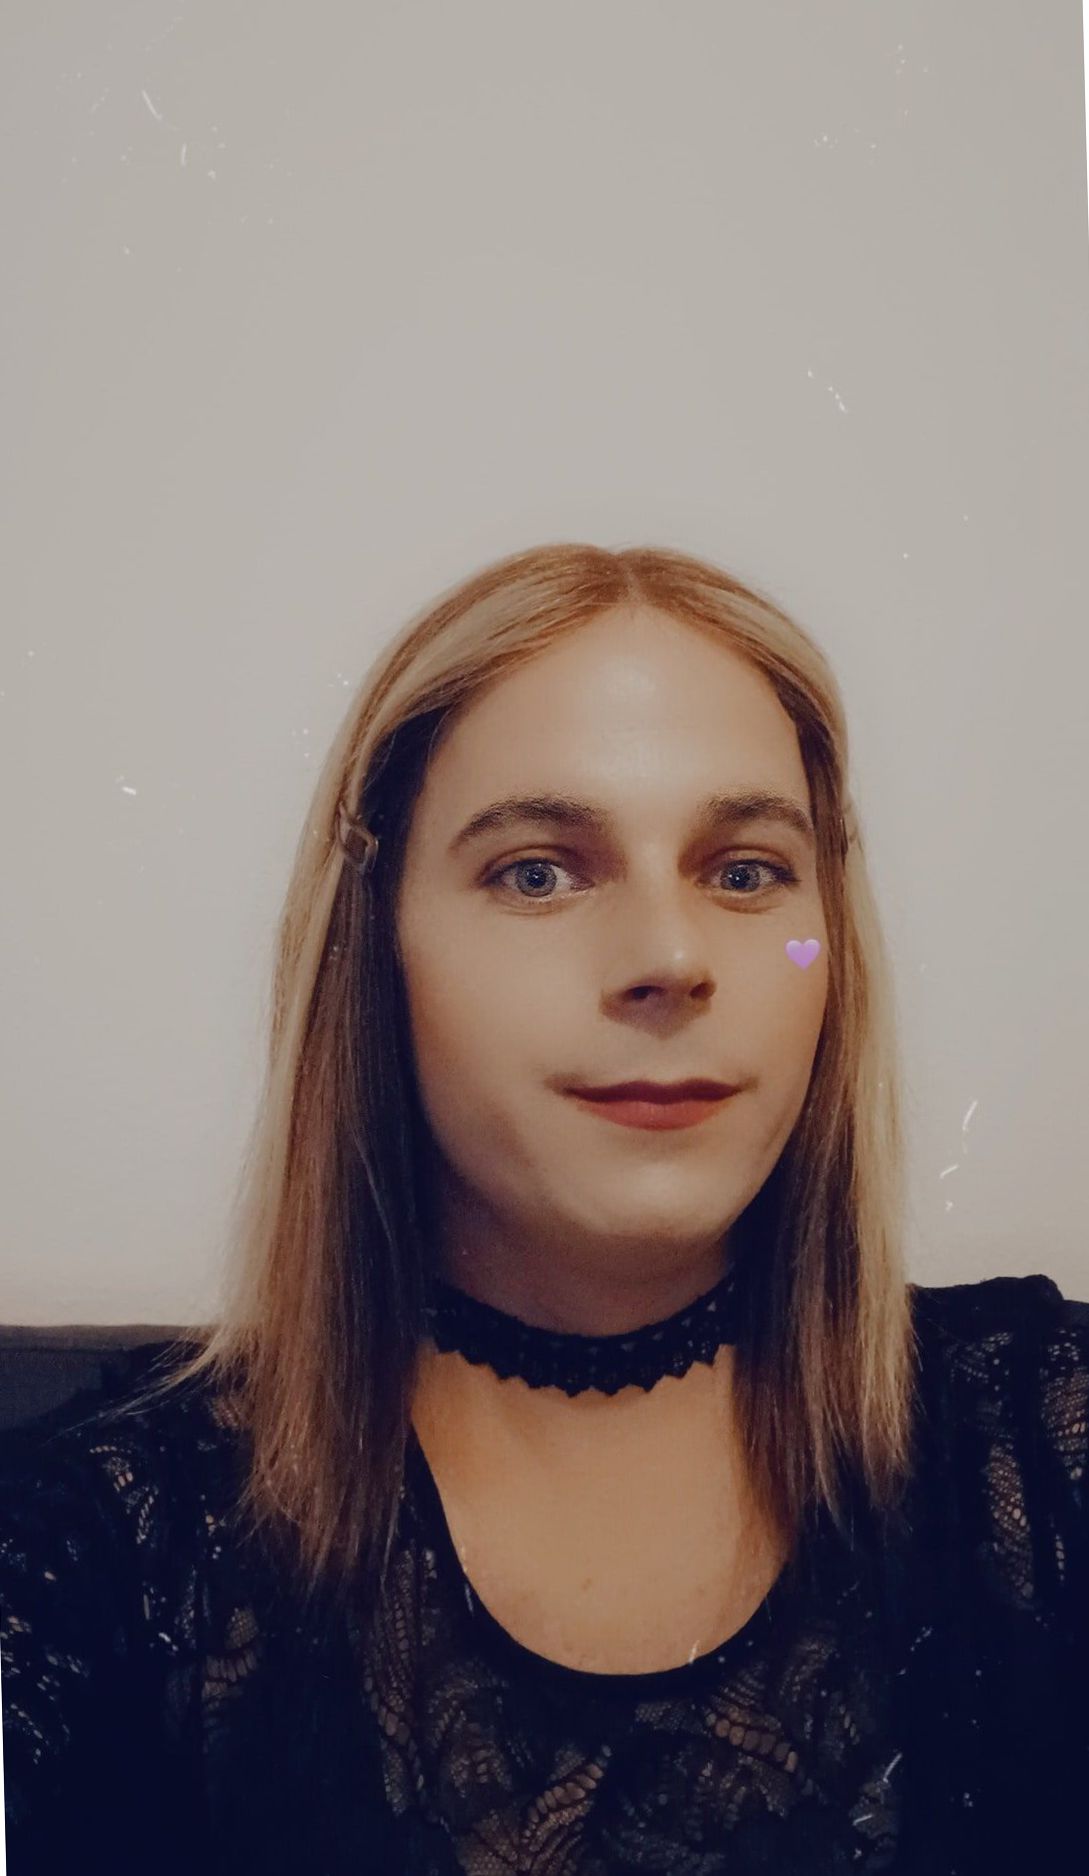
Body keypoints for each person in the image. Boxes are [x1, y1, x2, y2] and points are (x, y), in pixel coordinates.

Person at [1, 541, 1086, 1876]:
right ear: (375, 948)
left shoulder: (1043, 1453)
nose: (671, 957)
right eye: (536, 872)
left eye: (746, 871)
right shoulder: (105, 1559)